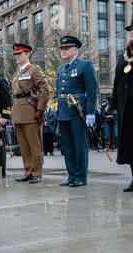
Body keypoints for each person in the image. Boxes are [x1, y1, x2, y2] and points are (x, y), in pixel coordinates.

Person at [56, 35, 98, 187]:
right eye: (62, 48)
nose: (63, 51)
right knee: (67, 146)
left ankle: (81, 176)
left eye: (66, 48)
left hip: (78, 111)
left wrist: (90, 112)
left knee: (79, 145)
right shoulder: (60, 69)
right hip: (63, 112)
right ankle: (72, 175)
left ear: (75, 50)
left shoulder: (85, 65)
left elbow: (92, 90)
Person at [11, 43, 50, 184]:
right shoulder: (17, 73)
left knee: (34, 145)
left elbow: (45, 89)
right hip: (18, 113)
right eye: (15, 54)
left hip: (30, 112)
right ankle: (28, 171)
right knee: (24, 145)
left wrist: (40, 109)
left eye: (19, 54)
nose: (17, 56)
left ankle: (37, 173)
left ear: (27, 54)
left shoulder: (34, 70)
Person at [110, 18, 133, 192]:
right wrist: (113, 106)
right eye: (130, 30)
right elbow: (117, 81)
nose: (131, 33)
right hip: (127, 107)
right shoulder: (124, 55)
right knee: (130, 143)